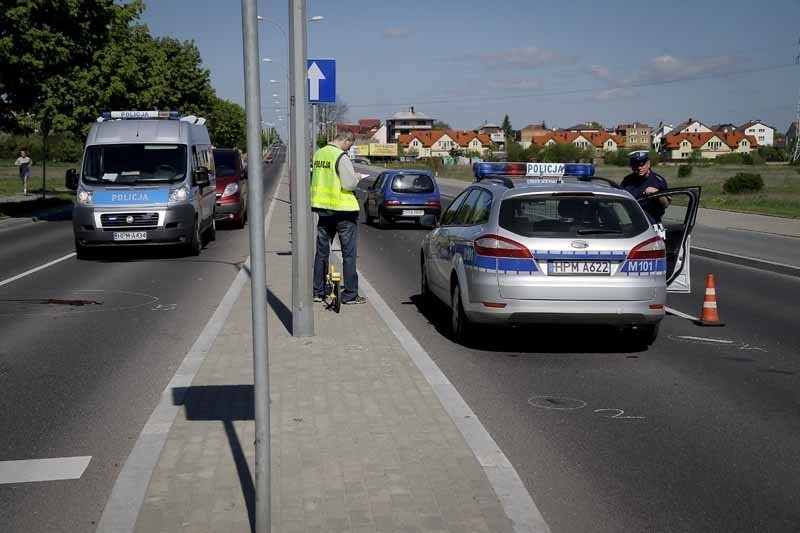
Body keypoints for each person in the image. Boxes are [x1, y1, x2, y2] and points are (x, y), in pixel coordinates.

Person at [311, 130, 366, 305]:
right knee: (348, 254)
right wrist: (356, 177)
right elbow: (348, 183)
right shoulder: (340, 157)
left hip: (323, 210)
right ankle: (350, 294)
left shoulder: (319, 154)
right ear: (345, 140)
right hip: (343, 212)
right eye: (349, 145)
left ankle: (318, 292)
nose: (349, 149)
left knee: (321, 252)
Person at [621, 150, 669, 223]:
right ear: (632, 166)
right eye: (636, 165)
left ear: (648, 164)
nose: (639, 168)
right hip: (634, 223)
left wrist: (657, 193)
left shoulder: (658, 181)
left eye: (642, 164)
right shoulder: (627, 180)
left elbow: (665, 204)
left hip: (653, 223)